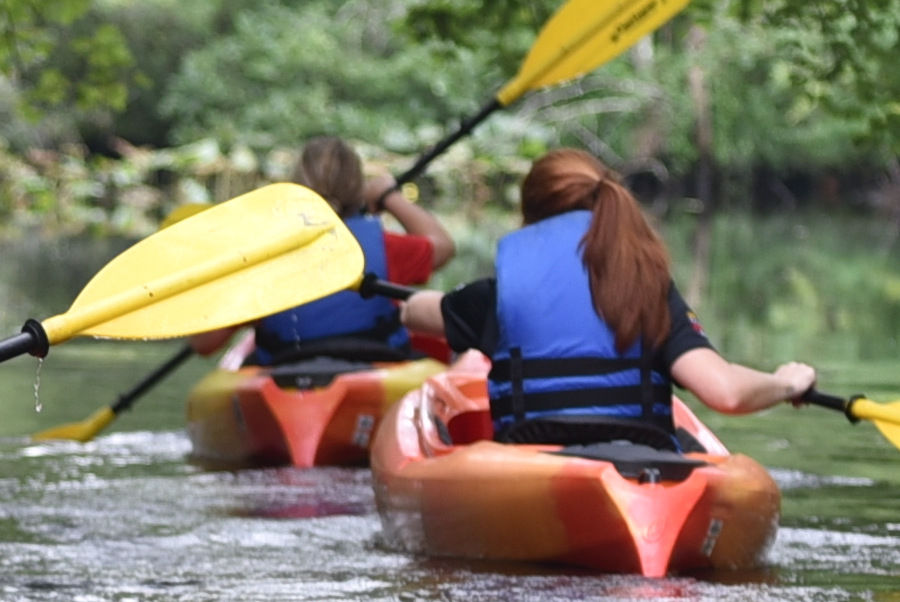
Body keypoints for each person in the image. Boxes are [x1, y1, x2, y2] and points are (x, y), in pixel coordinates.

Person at [409, 145, 819, 448]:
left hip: (529, 462)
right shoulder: (647, 289)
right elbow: (726, 392)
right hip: (640, 463)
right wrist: (785, 383)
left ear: (530, 215)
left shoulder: (500, 295)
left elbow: (415, 313)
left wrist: (429, 301)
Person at [230, 132, 446, 373]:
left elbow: (205, 343)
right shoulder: (387, 247)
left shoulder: (258, 257)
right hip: (376, 366)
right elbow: (443, 247)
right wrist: (389, 197)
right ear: (359, 190)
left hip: (284, 368)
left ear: (295, 190)